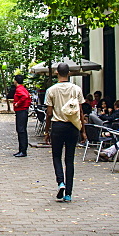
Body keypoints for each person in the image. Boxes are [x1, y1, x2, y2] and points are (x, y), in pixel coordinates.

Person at [44, 62, 83, 202]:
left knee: (56, 156)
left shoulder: (51, 90)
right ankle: (69, 193)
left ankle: (61, 182)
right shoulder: (76, 89)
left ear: (56, 73)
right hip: (72, 126)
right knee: (70, 159)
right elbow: (80, 111)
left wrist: (47, 131)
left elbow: (49, 113)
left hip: (57, 126)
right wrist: (83, 131)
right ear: (69, 73)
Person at [11, 74, 32, 158]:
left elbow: (25, 96)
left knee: (21, 130)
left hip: (21, 111)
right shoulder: (23, 88)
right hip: (23, 110)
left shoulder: (19, 89)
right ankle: (22, 149)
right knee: (22, 130)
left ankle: (23, 150)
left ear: (15, 81)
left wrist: (17, 104)